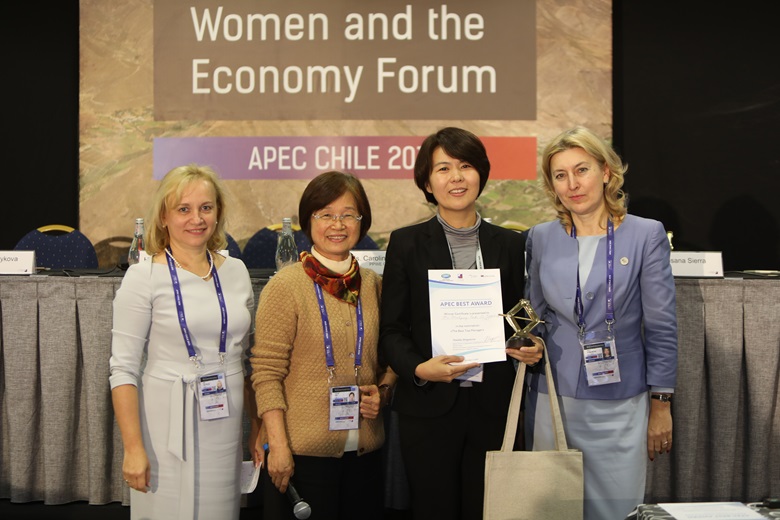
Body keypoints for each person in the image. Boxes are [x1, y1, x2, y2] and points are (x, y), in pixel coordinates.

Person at [379, 126, 542, 520]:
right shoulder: (406, 243)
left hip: (493, 405)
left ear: (481, 174)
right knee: (433, 509)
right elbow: (392, 330)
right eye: (443, 168)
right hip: (429, 406)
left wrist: (529, 344)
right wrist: (420, 369)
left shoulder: (511, 243)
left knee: (488, 509)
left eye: (466, 166)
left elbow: (518, 319)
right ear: (427, 182)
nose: (456, 177)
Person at [524, 126, 677, 519]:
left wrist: (661, 404)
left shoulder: (645, 234)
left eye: (582, 170)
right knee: (553, 511)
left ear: (606, 172)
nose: (573, 184)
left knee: (614, 510)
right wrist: (528, 343)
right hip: (553, 398)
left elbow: (661, 326)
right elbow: (534, 316)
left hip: (620, 402)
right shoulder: (540, 238)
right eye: (560, 175)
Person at [109, 164, 258, 520]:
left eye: (206, 208)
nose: (197, 219)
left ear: (218, 212)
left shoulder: (236, 271)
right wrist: (133, 448)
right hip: (166, 429)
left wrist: (257, 426)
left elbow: (246, 360)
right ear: (163, 217)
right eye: (183, 209)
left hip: (224, 424)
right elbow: (123, 370)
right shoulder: (143, 276)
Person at [250, 171, 396, 520]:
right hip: (301, 456)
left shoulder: (374, 285)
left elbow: (390, 360)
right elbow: (266, 374)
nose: (338, 224)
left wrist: (384, 391)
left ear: (362, 221)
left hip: (364, 456)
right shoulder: (285, 286)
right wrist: (277, 445)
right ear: (308, 220)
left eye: (349, 214)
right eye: (325, 214)